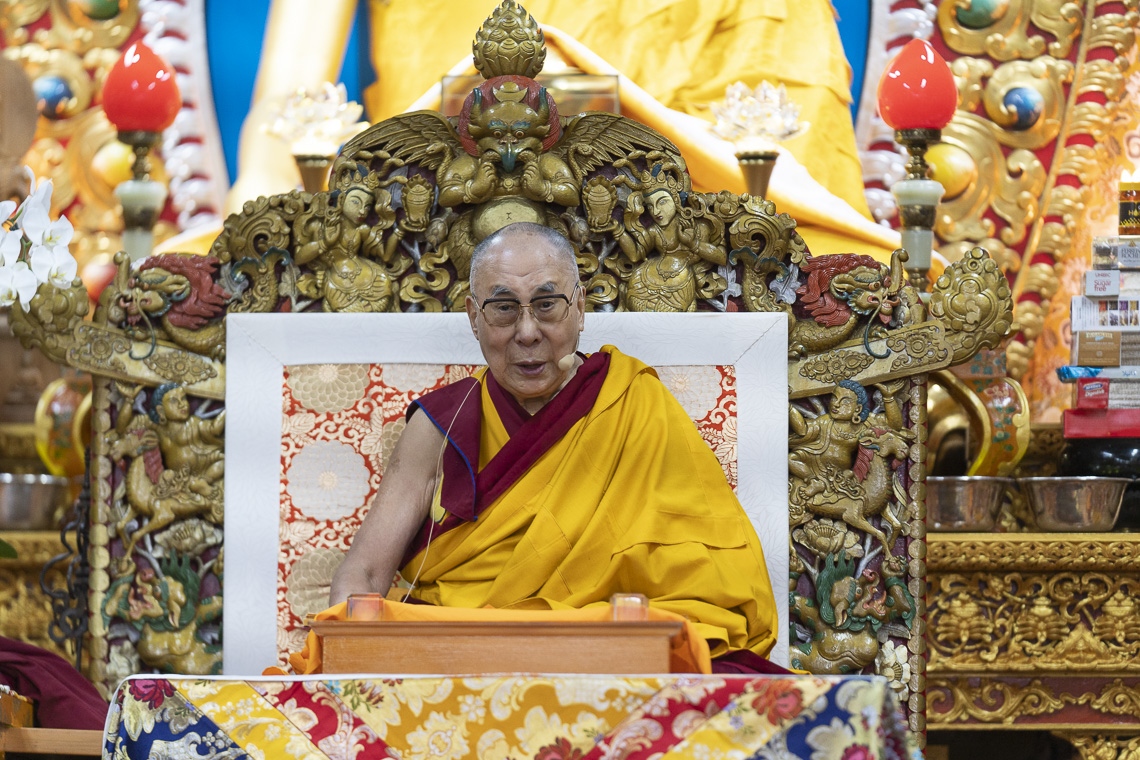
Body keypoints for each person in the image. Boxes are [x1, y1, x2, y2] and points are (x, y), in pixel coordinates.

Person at [329, 221, 780, 669]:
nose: (527, 332)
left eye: (547, 305)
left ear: (580, 308)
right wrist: (353, 665)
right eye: (503, 308)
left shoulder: (634, 403)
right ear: (472, 316)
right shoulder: (441, 424)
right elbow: (365, 573)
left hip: (604, 658)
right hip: (459, 656)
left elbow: (706, 579)